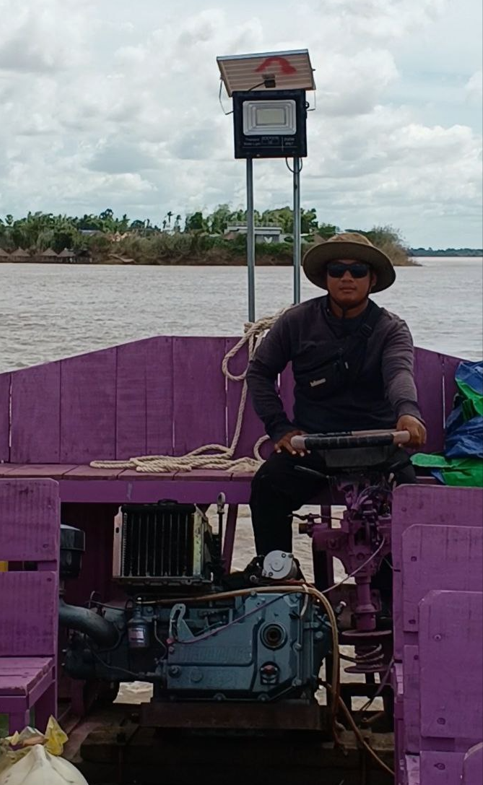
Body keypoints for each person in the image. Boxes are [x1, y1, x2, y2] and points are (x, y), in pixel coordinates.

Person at [247, 232, 426, 558]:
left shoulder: (391, 329)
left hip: (377, 446)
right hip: (313, 446)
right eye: (337, 270)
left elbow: (399, 373)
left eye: (357, 270)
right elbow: (259, 372)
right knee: (267, 485)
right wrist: (280, 428)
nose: (347, 277)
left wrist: (408, 413)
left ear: (372, 279)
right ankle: (278, 579)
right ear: (325, 277)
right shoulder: (296, 322)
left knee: (409, 499)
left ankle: (392, 587)